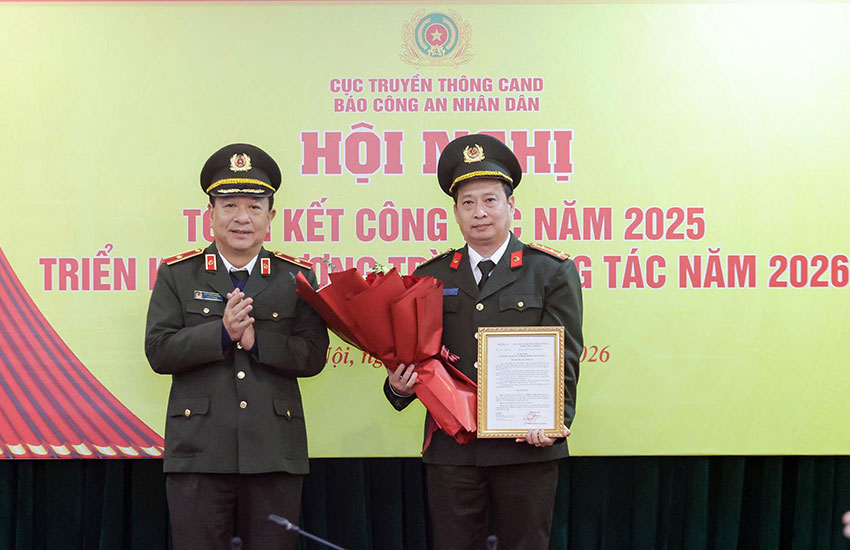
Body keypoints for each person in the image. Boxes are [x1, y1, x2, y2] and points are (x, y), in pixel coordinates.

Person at [384, 134, 583, 549]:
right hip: (453, 445)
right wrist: (397, 386)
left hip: (526, 445)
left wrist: (552, 420)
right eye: (468, 203)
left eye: (491, 200)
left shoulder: (550, 272)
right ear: (455, 212)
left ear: (512, 207)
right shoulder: (432, 275)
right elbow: (416, 354)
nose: (480, 213)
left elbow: (565, 352)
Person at [145, 143, 329, 550]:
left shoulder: (296, 278)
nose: (241, 218)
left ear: (271, 216)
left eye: (254, 206)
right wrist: (221, 334)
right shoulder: (178, 274)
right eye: (229, 205)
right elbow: (159, 350)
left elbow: (313, 355)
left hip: (274, 454)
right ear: (210, 215)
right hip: (199, 452)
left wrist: (256, 340)